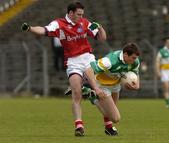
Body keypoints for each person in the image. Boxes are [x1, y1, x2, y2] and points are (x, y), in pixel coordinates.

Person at [21, 1, 106, 136]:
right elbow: (43, 30)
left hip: (88, 58)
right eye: (78, 14)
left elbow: (101, 38)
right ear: (70, 13)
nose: (81, 16)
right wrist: (30, 28)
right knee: (76, 92)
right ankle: (79, 125)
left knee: (100, 90)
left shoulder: (85, 22)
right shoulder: (59, 24)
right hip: (72, 62)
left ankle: (108, 124)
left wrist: (100, 28)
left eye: (82, 14)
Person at [65, 43, 141, 135]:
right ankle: (93, 98)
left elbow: (135, 72)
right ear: (125, 54)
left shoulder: (135, 62)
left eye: (135, 58)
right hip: (103, 85)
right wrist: (95, 88)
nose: (134, 60)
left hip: (116, 85)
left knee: (109, 111)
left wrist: (137, 85)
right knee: (116, 118)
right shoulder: (109, 61)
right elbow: (88, 69)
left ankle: (108, 128)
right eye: (133, 58)